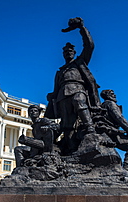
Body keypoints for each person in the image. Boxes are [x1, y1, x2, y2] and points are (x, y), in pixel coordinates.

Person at [45, 17, 101, 154]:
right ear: (63, 54)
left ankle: (90, 129)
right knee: (66, 123)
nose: (68, 53)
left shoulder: (80, 62)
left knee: (79, 101)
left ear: (74, 53)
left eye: (70, 51)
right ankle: (70, 149)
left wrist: (82, 28)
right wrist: (51, 96)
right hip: (62, 95)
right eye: (65, 52)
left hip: (78, 89)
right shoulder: (60, 71)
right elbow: (56, 89)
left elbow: (89, 45)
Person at [97, 89, 128, 173]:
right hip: (111, 134)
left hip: (108, 133)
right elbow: (119, 118)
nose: (114, 95)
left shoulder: (104, 105)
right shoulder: (110, 104)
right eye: (112, 94)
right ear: (107, 96)